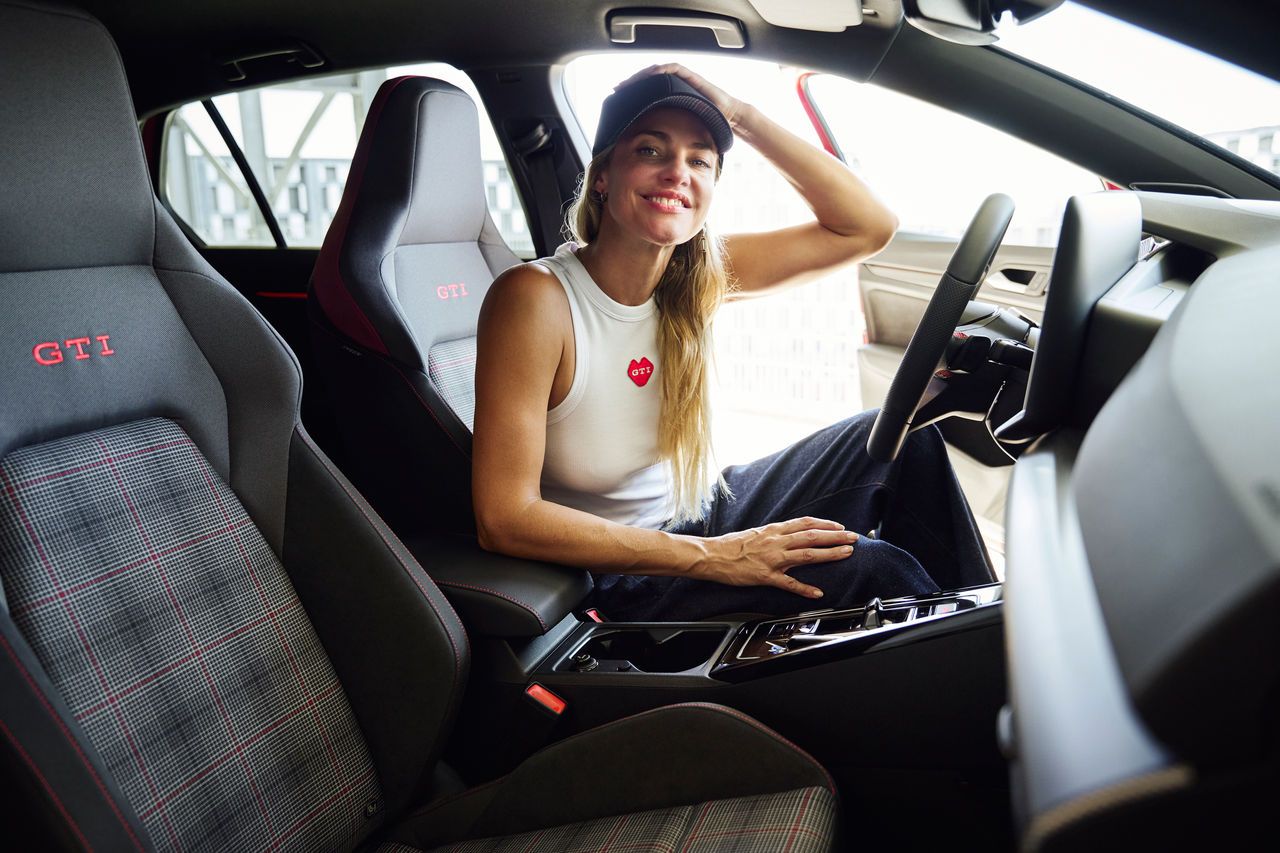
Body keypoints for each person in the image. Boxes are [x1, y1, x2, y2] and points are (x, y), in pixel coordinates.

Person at [472, 64, 993, 622]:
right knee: (870, 566)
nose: (677, 172)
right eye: (650, 150)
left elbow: (867, 226)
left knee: (907, 440)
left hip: (700, 515)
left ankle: (987, 630)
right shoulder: (537, 298)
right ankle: (957, 656)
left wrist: (741, 117)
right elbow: (505, 518)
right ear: (602, 177)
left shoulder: (696, 278)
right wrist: (717, 556)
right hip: (620, 571)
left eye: (699, 160)